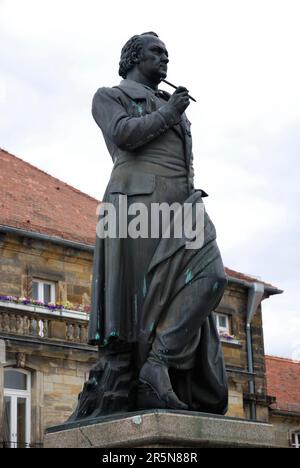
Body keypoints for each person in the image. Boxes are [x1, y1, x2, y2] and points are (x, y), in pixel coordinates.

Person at [71, 32, 228, 420]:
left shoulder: (170, 105)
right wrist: (171, 112)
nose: (165, 59)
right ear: (133, 58)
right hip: (136, 204)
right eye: (156, 52)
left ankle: (158, 363)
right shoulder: (110, 95)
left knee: (212, 276)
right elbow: (124, 134)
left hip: (180, 203)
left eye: (167, 54)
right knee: (144, 300)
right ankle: (141, 376)